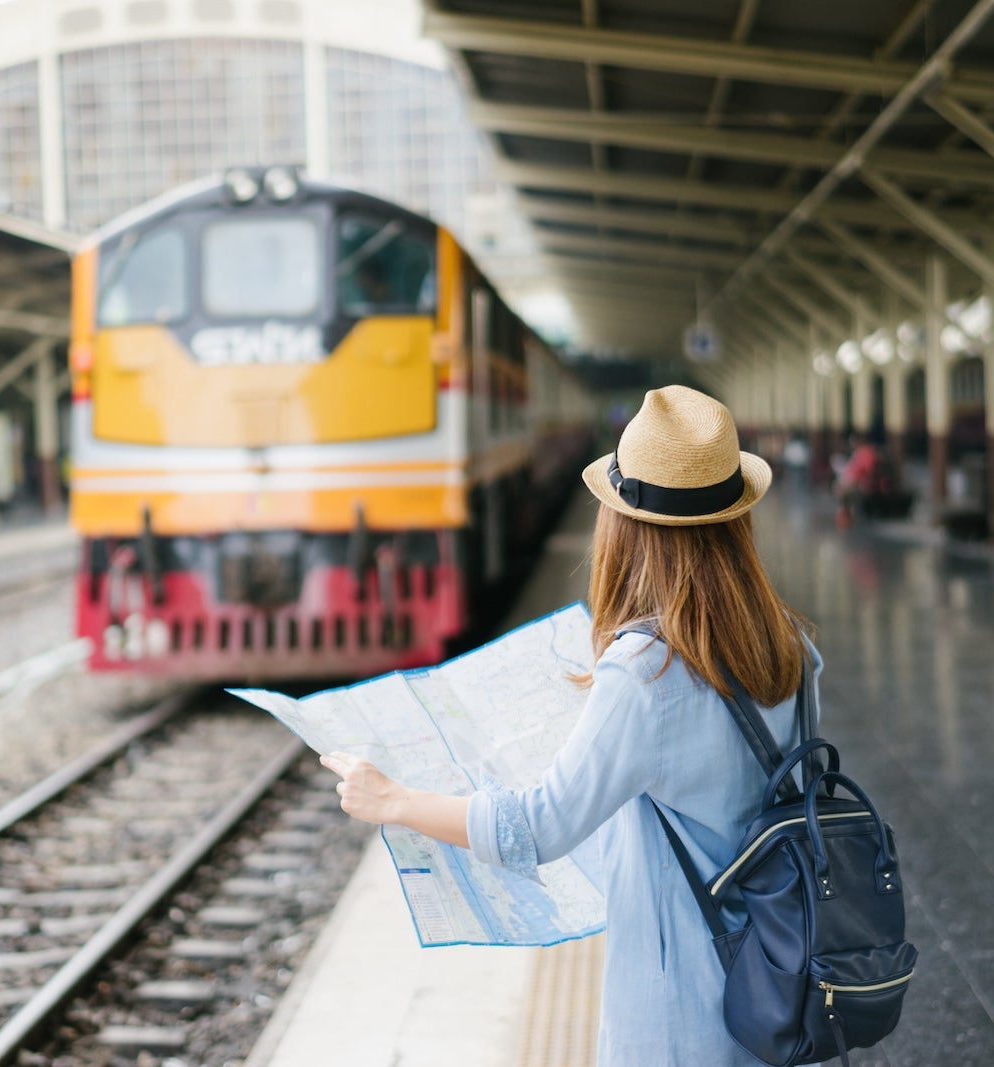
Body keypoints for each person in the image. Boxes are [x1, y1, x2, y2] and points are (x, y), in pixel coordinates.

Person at [322, 385, 819, 1066]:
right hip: (782, 982)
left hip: (682, 1018)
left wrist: (394, 801)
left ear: (626, 527)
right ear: (737, 521)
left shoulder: (645, 671)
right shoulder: (790, 642)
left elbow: (536, 828)